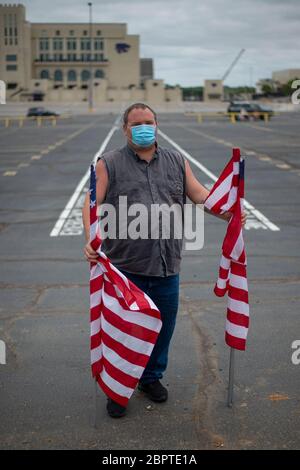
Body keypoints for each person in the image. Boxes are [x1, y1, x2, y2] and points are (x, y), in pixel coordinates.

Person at [82, 102, 246, 418]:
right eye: (136, 123)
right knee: (123, 333)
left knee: (163, 330)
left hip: (166, 266)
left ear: (157, 124)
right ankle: (118, 389)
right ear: (124, 129)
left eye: (149, 121)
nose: (144, 127)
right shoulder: (109, 163)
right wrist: (89, 239)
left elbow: (200, 195)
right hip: (125, 270)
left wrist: (229, 212)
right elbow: (90, 203)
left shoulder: (175, 161)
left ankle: (150, 378)